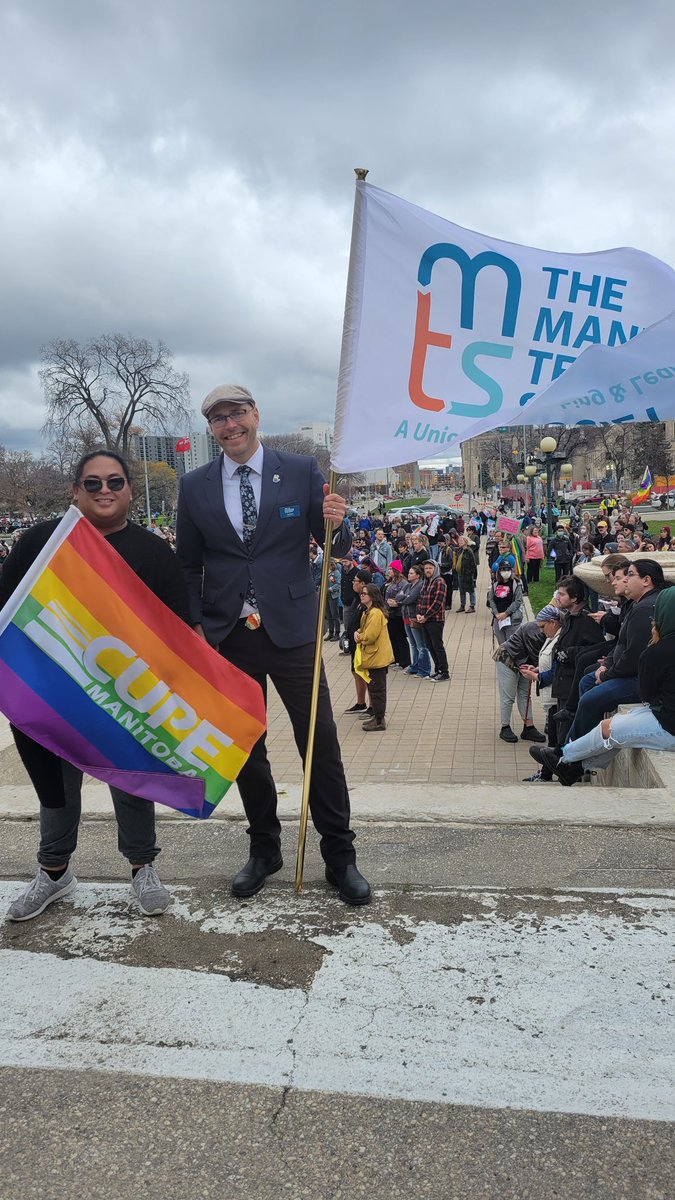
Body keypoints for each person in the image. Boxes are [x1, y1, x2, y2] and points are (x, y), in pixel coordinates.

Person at [176, 383, 371, 906]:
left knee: (321, 745)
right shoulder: (194, 486)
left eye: (237, 413)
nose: (229, 425)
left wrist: (338, 521)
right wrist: (195, 625)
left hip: (291, 633)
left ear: (255, 414)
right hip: (227, 635)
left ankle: (340, 857)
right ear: (211, 428)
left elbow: (338, 544)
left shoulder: (301, 470)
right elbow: (187, 564)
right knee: (245, 749)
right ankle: (264, 849)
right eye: (218, 418)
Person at [4, 450, 191, 922]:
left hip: (125, 697)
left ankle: (143, 867)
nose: (104, 490)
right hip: (51, 695)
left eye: (114, 482)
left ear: (129, 489)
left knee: (132, 783)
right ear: (75, 491)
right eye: (92, 483)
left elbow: (180, 630)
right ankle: (53, 871)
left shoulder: (152, 551)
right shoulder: (40, 542)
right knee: (57, 789)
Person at [542, 585, 675, 785]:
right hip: (666, 714)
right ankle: (574, 767)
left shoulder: (657, 652)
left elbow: (647, 694)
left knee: (609, 730)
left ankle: (565, 759)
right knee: (617, 727)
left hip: (669, 725)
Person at [493, 612, 550, 744]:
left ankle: (528, 727)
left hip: (525, 661)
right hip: (507, 658)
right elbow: (538, 656)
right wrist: (539, 673)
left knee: (525, 694)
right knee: (508, 696)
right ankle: (505, 727)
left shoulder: (550, 633)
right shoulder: (535, 630)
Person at [354, 584, 394, 731]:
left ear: (372, 596)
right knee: (374, 688)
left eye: (365, 593)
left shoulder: (375, 613)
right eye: (361, 593)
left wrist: (359, 637)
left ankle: (379, 720)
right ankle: (377, 716)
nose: (362, 595)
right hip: (374, 656)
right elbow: (366, 629)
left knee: (377, 689)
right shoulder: (369, 612)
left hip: (377, 657)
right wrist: (359, 631)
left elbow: (370, 636)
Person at [416, 560, 450, 681]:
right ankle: (438, 669)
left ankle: (444, 672)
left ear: (435, 569)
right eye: (426, 568)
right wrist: (419, 614)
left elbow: (438, 603)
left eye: (430, 568)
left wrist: (425, 615)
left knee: (437, 646)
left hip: (435, 620)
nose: (428, 570)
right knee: (430, 646)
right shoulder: (426, 582)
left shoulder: (439, 582)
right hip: (424, 620)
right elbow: (420, 599)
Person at [398, 565, 432, 677]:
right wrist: (403, 598)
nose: (409, 575)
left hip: (414, 617)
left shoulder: (419, 585)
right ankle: (415, 665)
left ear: (418, 575)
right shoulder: (408, 585)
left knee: (421, 645)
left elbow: (410, 598)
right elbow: (399, 596)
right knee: (413, 644)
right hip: (406, 617)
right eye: (409, 573)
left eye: (412, 573)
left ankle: (424, 669)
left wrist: (403, 599)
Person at [488, 562, 524, 645]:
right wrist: (496, 613)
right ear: (499, 571)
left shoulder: (516, 584)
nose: (506, 572)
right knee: (502, 645)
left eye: (508, 569)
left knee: (511, 645)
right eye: (503, 569)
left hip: (512, 619)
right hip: (498, 619)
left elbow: (518, 601)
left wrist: (506, 613)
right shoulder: (495, 584)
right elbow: (491, 599)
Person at [453, 535, 478, 613]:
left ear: (466, 542)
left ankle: (472, 606)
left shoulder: (469, 551)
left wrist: (471, 574)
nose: (459, 542)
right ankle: (462, 605)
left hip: (467, 574)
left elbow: (473, 564)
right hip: (460, 574)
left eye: (461, 541)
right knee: (462, 590)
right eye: (459, 541)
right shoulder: (460, 550)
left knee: (471, 590)